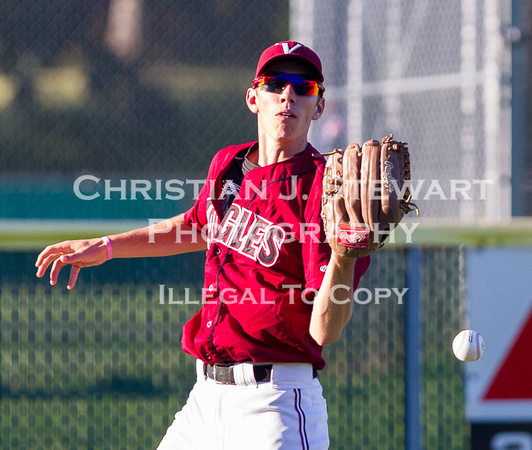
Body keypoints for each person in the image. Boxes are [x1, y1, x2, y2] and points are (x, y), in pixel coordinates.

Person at [35, 41, 369, 450]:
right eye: (276, 83)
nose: (288, 95)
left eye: (304, 87)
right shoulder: (228, 165)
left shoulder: (324, 188)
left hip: (275, 403)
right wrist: (106, 246)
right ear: (253, 98)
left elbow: (325, 330)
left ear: (317, 106)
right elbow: (196, 226)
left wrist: (344, 256)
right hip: (204, 398)